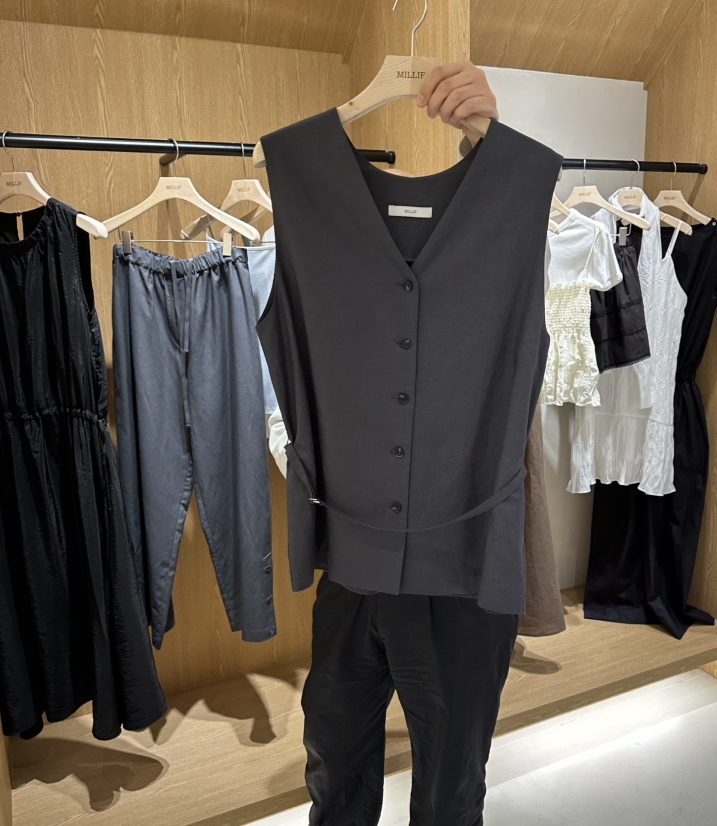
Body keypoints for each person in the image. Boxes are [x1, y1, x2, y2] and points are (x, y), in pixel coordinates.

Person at [269, 63, 518, 826]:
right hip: (349, 559)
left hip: (463, 566)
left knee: (451, 788)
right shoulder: (298, 182)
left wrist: (488, 139)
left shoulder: (519, 190)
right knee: (334, 763)